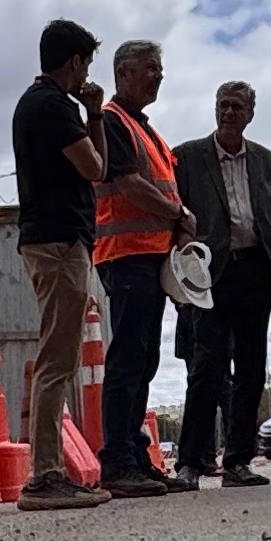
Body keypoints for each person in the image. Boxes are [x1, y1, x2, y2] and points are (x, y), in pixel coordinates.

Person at [9, 20, 111, 511]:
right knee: (57, 359)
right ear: (74, 63)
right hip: (60, 242)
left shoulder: (33, 104)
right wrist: (94, 114)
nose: (85, 73)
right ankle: (44, 475)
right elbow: (95, 169)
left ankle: (47, 472)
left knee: (59, 353)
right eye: (86, 64)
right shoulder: (53, 105)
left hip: (45, 239)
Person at [173, 80, 271, 486]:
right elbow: (174, 216)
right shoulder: (188, 157)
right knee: (206, 367)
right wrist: (186, 261)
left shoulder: (265, 159)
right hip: (210, 275)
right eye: (223, 105)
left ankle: (238, 462)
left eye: (237, 107)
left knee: (251, 367)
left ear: (250, 114)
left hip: (256, 271)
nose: (228, 113)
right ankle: (190, 463)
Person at [91, 39, 195, 493]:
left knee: (144, 358)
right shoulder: (114, 122)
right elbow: (130, 186)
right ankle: (117, 460)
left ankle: (132, 454)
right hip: (127, 256)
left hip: (148, 255)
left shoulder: (142, 127)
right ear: (124, 73)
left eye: (160, 68)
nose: (159, 75)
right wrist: (178, 214)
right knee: (130, 358)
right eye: (151, 68)